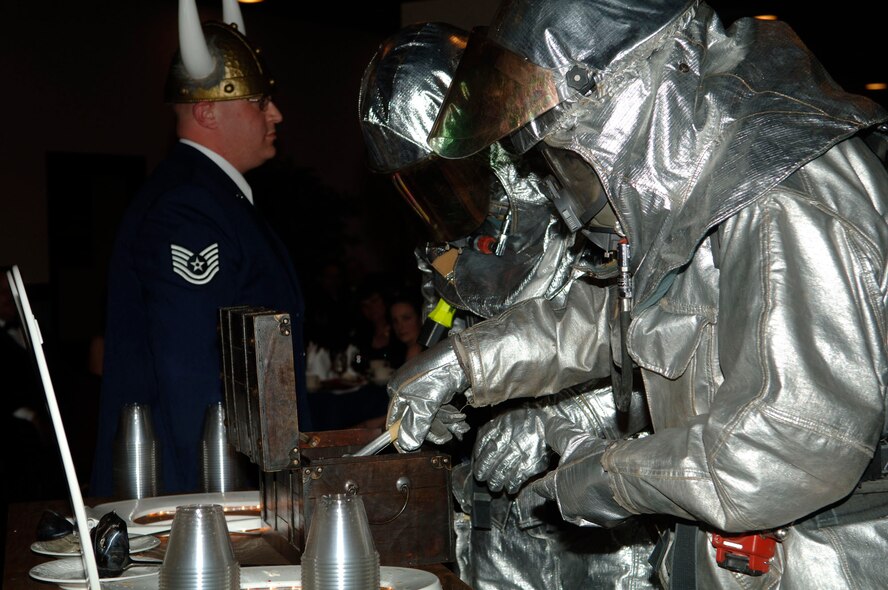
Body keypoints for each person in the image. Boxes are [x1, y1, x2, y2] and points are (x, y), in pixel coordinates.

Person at [384, 0, 888, 587]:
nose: (565, 199)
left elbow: (785, 448)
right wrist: (466, 361)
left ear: (622, 104)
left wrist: (600, 475)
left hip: (822, 565)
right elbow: (620, 315)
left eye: (561, 159)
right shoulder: (711, 190)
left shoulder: (785, 199)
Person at [360, 22, 657, 589]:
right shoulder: (443, 242)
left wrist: (559, 422)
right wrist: (446, 401)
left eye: (446, 172)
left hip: (601, 530)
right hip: (490, 525)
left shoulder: (587, 200)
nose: (441, 196)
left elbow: (661, 353)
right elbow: (450, 339)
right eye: (420, 182)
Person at [91, 0, 311, 496]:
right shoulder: (188, 209)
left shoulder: (213, 198)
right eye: (259, 102)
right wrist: (219, 505)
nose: (276, 114)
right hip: (196, 494)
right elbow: (193, 376)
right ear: (208, 111)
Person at [389, 293, 423, 363]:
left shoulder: (416, 352)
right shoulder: (396, 352)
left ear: (420, 318)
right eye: (395, 321)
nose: (400, 326)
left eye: (406, 318)